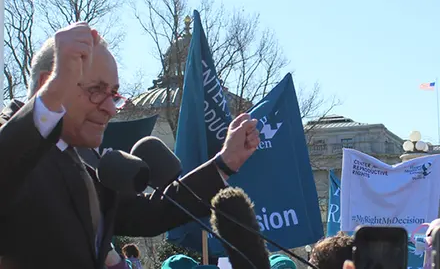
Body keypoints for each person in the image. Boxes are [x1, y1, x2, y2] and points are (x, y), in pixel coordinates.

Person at [0, 22, 260, 269]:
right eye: (96, 90)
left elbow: (149, 215)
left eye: (113, 95)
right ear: (49, 84)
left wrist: (225, 162)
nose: (110, 109)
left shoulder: (79, 163)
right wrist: (51, 100)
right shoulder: (12, 141)